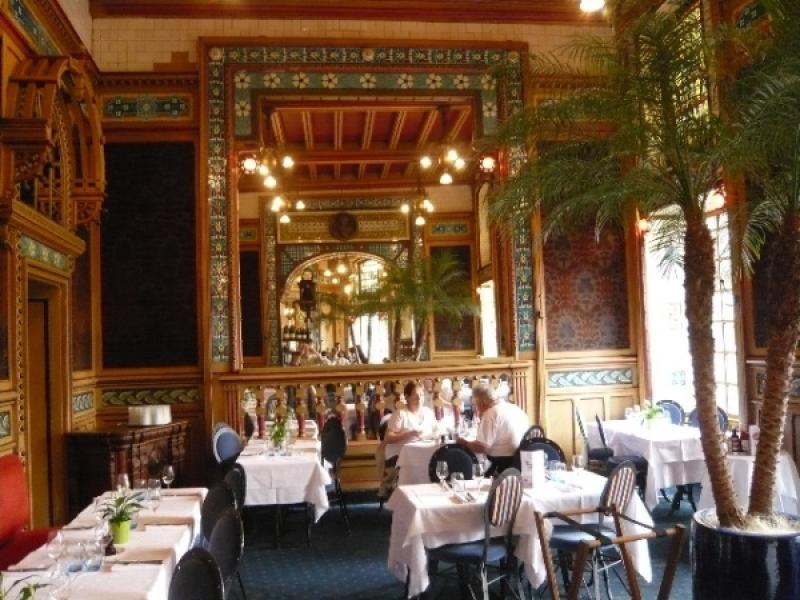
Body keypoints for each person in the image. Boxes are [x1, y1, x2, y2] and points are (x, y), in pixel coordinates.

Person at [377, 382, 436, 499]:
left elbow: (437, 431)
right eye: (415, 395)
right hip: (399, 456)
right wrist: (409, 433)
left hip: (423, 453)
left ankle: (427, 496)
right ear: (407, 397)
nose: (419, 398)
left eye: (421, 395)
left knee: (434, 463)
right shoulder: (400, 414)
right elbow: (388, 437)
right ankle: (406, 498)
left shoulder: (428, 413)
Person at [456, 384, 529, 476]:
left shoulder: (491, 413)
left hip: (502, 465)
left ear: (480, 402)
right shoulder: (515, 408)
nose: (475, 407)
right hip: (522, 462)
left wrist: (464, 443)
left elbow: (482, 447)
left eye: (475, 404)